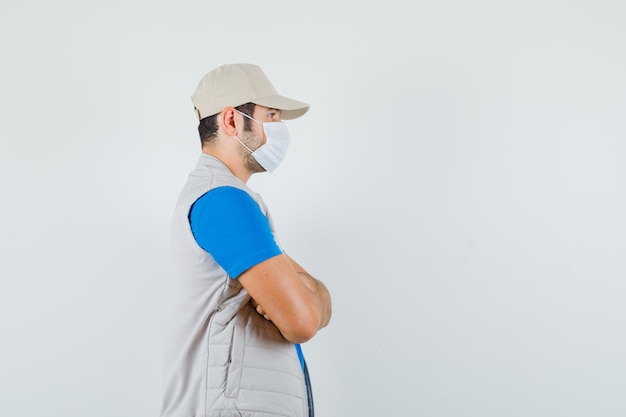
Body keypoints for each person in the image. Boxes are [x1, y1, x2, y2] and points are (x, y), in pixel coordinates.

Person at [160, 63, 332, 417]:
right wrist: (303, 293)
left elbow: (319, 304)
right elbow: (304, 321)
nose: (279, 129)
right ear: (231, 121)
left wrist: (308, 291)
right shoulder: (224, 202)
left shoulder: (229, 201)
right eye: (270, 115)